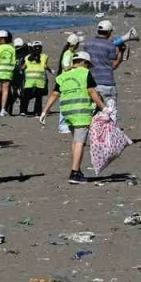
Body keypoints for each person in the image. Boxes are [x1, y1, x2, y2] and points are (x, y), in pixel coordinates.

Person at [40, 51, 107, 184]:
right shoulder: (85, 73)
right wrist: (103, 107)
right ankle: (74, 173)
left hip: (67, 112)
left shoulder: (63, 76)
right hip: (81, 111)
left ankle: (77, 169)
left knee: (76, 141)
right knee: (80, 142)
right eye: (88, 65)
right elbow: (91, 91)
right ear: (84, 63)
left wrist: (44, 111)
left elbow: (54, 94)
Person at [82, 21, 137, 107]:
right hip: (107, 83)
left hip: (91, 83)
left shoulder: (87, 44)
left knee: (93, 112)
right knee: (111, 111)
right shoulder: (110, 45)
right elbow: (114, 65)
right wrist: (121, 52)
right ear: (109, 32)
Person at [19, 41, 51, 118]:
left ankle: (23, 111)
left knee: (26, 96)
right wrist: (50, 70)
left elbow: (23, 67)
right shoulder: (44, 56)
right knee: (38, 97)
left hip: (29, 79)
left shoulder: (27, 57)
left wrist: (20, 70)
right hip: (40, 79)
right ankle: (37, 112)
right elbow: (45, 66)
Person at [0, 31, 15, 118]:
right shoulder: (12, 49)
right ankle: (3, 109)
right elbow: (13, 61)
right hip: (8, 72)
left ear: (3, 39)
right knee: (5, 90)